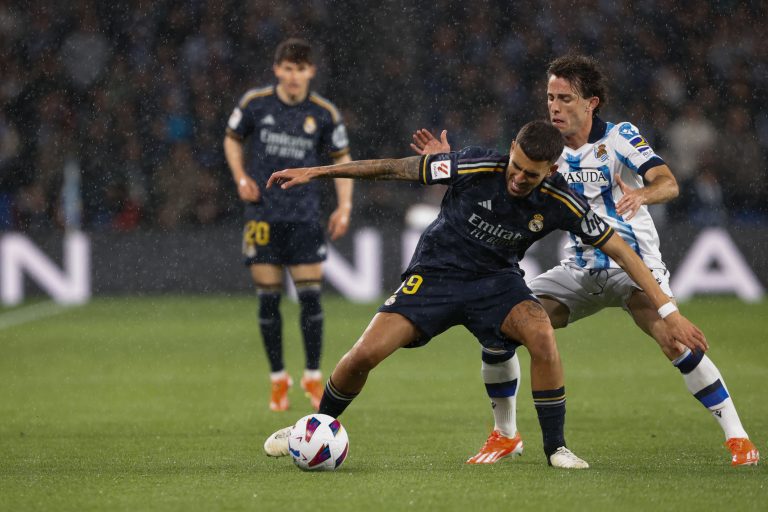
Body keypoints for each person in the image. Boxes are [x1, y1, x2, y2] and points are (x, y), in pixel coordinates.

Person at [262, 120, 708, 469]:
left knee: (541, 335)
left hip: (497, 282)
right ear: (511, 149)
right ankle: (315, 426)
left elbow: (620, 249)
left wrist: (668, 311)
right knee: (363, 356)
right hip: (435, 275)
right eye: (515, 166)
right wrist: (317, 171)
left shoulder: (562, 199)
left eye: (530, 175)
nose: (517, 178)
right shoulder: (474, 164)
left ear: (550, 172)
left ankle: (556, 448)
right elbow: (394, 168)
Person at [411, 54, 759, 467]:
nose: (554, 106)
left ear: (591, 102)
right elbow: (501, 184)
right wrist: (452, 168)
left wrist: (642, 194)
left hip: (630, 266)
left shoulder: (620, 138)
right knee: (498, 325)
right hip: (577, 269)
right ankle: (505, 435)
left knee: (674, 339)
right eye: (549, 97)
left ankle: (738, 439)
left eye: (565, 98)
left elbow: (668, 182)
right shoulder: (544, 150)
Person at [223, 38, 354, 412]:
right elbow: (232, 139)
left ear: (311, 71)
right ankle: (278, 379)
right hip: (263, 214)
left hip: (304, 216)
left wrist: (344, 206)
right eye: (288, 68)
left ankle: (313, 377)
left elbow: (343, 159)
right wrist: (240, 177)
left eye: (301, 69)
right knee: (268, 299)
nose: (294, 76)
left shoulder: (323, 112)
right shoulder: (255, 104)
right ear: (277, 69)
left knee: (310, 297)